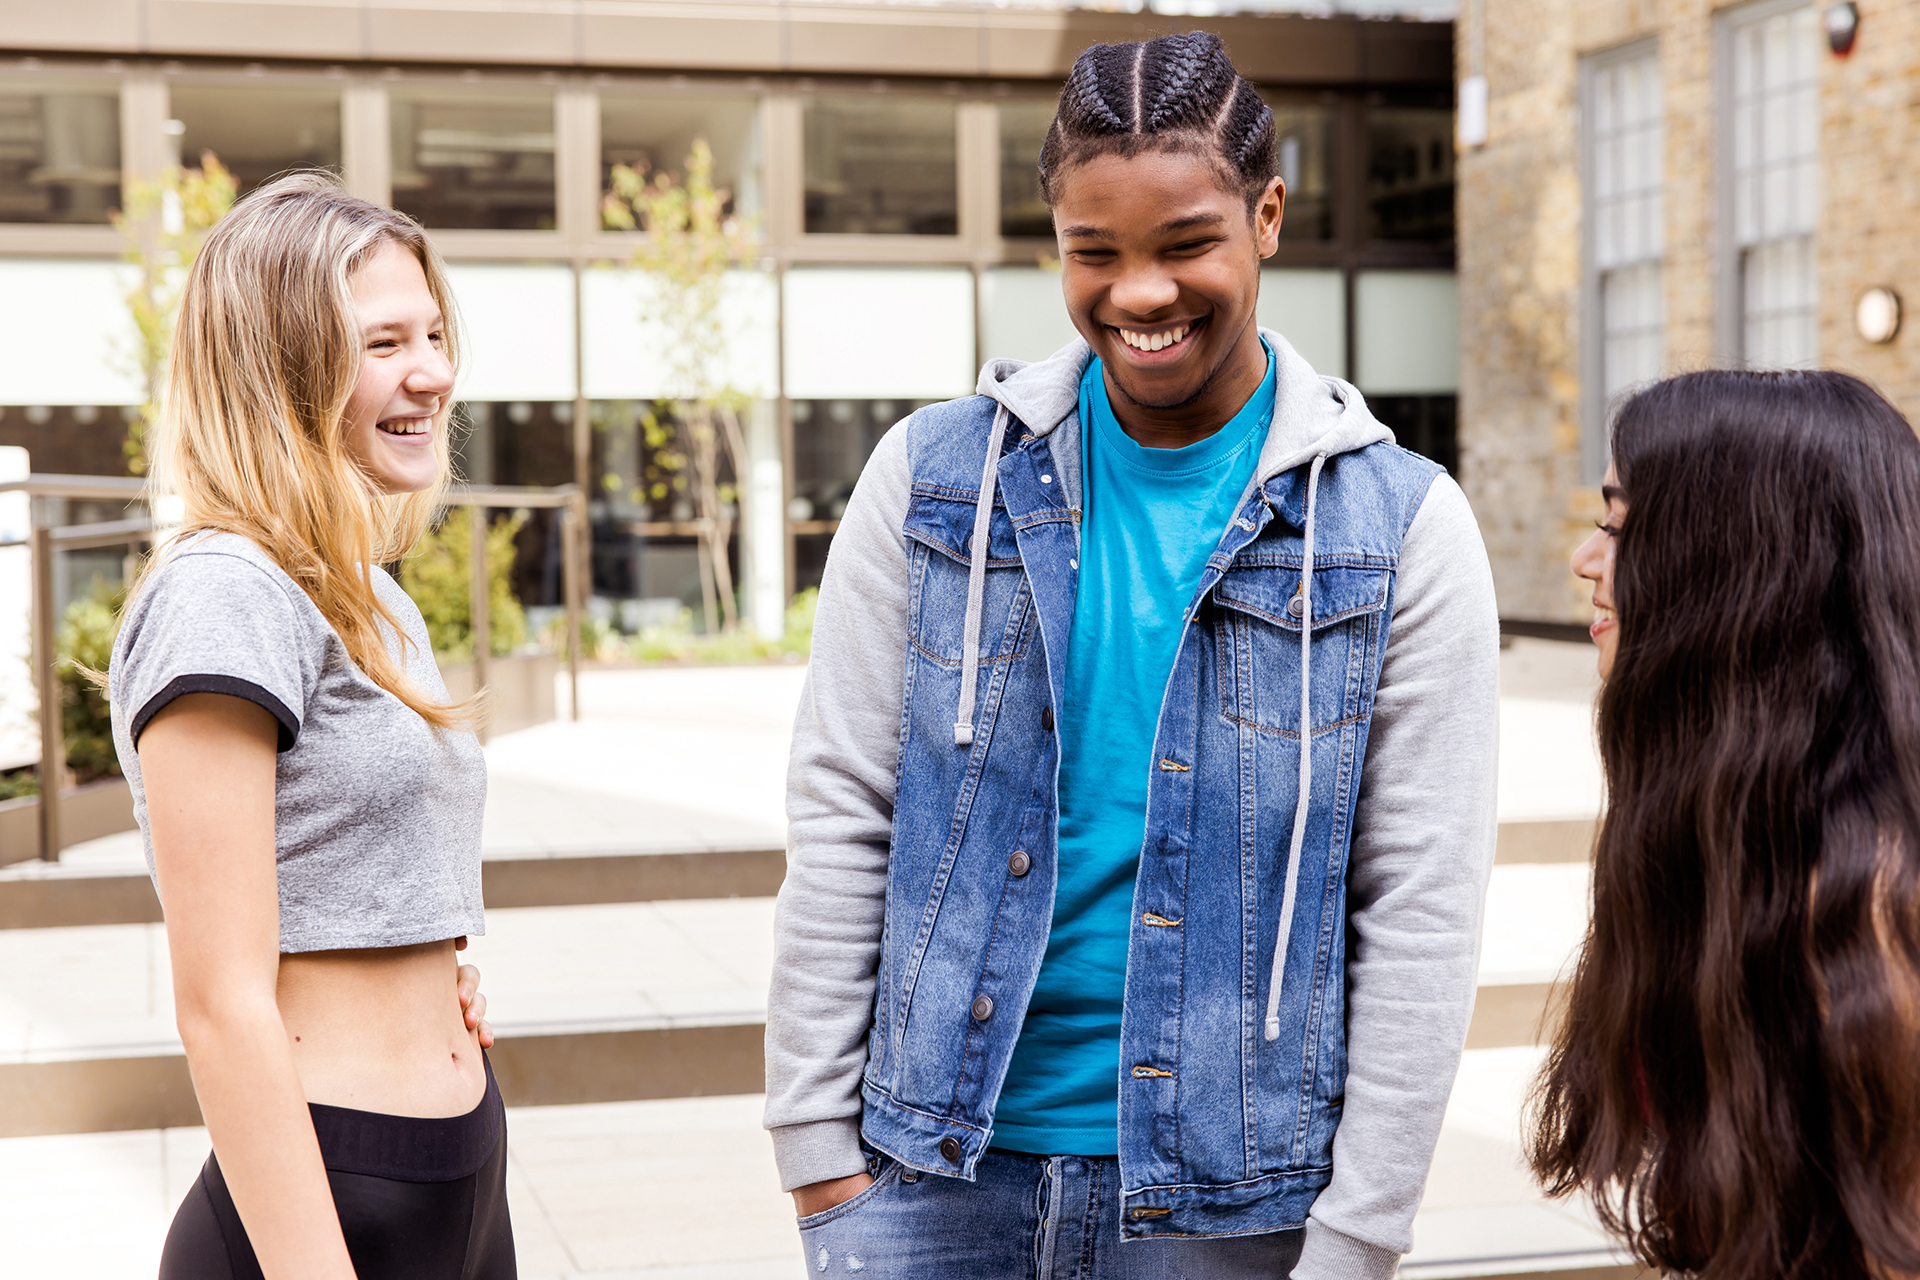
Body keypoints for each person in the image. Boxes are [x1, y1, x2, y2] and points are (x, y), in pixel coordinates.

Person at [764, 31, 1500, 1279]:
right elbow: (843, 808)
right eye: (1093, 252)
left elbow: (1420, 910)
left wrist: (1359, 1236)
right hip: (931, 1179)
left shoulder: (1398, 528)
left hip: (1232, 1210)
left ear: (1268, 216)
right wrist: (819, 1159)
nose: (1139, 293)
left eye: (1185, 244)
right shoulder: (937, 479)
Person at [107, 172, 513, 1279]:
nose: (432, 369)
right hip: (332, 1195)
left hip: (460, 1175)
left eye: (432, 332)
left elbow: (353, 855)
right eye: (384, 342)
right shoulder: (220, 595)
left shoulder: (366, 589)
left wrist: (430, 963)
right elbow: (221, 1003)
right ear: (282, 368)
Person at [1535, 369, 1920, 1280]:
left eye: (1621, 528)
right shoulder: (1738, 840)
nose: (1589, 563)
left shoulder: (1878, 919)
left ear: (1736, 571)